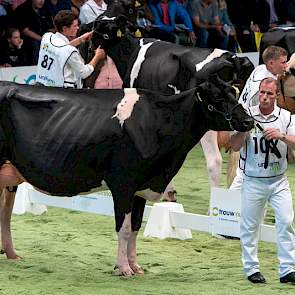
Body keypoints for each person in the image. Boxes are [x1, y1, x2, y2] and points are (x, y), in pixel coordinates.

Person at [230, 77, 295, 284]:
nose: (264, 97)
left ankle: (287, 269)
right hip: (253, 180)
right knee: (249, 226)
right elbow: (234, 145)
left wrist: (282, 136)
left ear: (277, 95)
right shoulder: (246, 114)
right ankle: (251, 269)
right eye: (262, 92)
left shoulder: (286, 117)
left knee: (286, 222)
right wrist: (243, 130)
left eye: (269, 93)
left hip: (279, 181)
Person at [230, 45, 288, 189]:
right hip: (250, 129)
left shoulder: (260, 69)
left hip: (239, 119)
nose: (285, 66)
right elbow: (259, 110)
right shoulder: (263, 90)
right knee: (251, 175)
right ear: (271, 63)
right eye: (283, 62)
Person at [36, 9, 105, 88]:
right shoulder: (71, 52)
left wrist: (80, 39)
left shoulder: (47, 37)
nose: (78, 28)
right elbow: (84, 73)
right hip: (64, 92)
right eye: (75, 26)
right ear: (65, 28)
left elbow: (61, 48)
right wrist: (97, 56)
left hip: (42, 86)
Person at [11, 0, 54, 65]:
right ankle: (35, 66)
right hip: (27, 39)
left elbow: (51, 26)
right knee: (36, 44)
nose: (41, 1)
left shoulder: (45, 8)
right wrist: (42, 39)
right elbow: (26, 31)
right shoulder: (23, 9)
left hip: (44, 37)